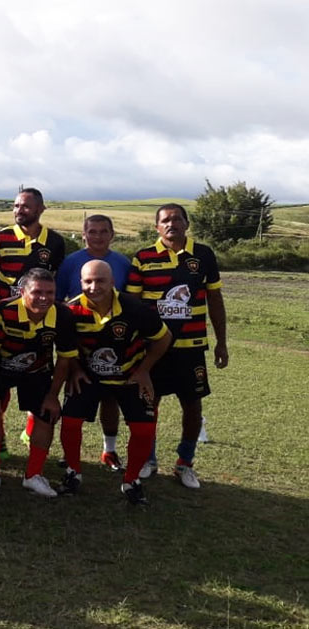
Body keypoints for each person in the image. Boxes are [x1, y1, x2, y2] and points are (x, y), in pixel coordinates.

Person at [125, 203, 228, 489]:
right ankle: (148, 459)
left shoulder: (203, 255)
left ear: (187, 223)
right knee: (148, 404)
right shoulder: (143, 257)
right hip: (152, 349)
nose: (172, 224)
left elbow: (215, 301)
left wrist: (222, 342)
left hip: (191, 347)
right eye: (165, 220)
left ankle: (185, 462)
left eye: (177, 219)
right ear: (157, 227)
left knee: (192, 405)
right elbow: (132, 306)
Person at [60, 260, 171, 505]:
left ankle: (132, 480)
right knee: (69, 421)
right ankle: (73, 472)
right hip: (90, 377)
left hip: (129, 376)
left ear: (112, 282)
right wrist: (76, 369)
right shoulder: (70, 311)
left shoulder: (134, 308)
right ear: (81, 283)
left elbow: (164, 338)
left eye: (100, 280)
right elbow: (65, 347)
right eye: (88, 281)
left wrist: (144, 371)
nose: (93, 286)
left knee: (144, 429)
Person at [0, 187, 67, 456]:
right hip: (7, 321)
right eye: (16, 206)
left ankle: (32, 432)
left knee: (38, 375)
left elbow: (56, 279)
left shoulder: (54, 242)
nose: (20, 210)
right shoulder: (1, 238)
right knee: (0, 382)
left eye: (26, 206)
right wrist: (9, 297)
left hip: (41, 319)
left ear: (41, 209)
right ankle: (1, 437)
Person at [0, 268, 77, 497]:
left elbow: (64, 359)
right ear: (22, 292)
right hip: (1, 371)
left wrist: (53, 396)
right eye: (37, 292)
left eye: (50, 292)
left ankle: (33, 475)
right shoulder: (3, 310)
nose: (44, 298)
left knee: (47, 416)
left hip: (37, 371)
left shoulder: (62, 315)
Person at [55, 214, 133, 471]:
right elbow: (57, 300)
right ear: (84, 234)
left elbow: (130, 304)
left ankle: (109, 450)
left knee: (110, 399)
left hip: (113, 342)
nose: (97, 236)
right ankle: (69, 454)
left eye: (103, 231)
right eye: (92, 231)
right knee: (73, 393)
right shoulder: (71, 262)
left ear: (112, 234)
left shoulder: (122, 263)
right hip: (77, 340)